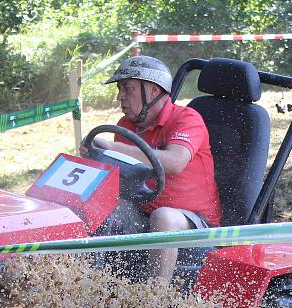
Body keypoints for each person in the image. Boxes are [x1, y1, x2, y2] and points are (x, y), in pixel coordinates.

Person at [84, 55, 221, 282]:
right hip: (143, 211)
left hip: (197, 223)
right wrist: (96, 155)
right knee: (99, 206)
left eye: (127, 89)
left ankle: (154, 301)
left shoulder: (187, 119)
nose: (120, 97)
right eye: (120, 90)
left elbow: (175, 162)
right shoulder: (125, 126)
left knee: (163, 217)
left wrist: (112, 147)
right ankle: (88, 283)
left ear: (152, 90)